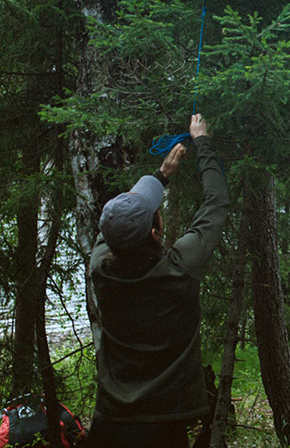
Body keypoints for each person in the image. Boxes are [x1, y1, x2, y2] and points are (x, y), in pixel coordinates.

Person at [87, 114, 229, 448]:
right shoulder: (179, 270)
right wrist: (202, 142)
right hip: (162, 428)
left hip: (107, 425)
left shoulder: (100, 270)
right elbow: (216, 202)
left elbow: (118, 226)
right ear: (156, 231)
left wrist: (162, 175)